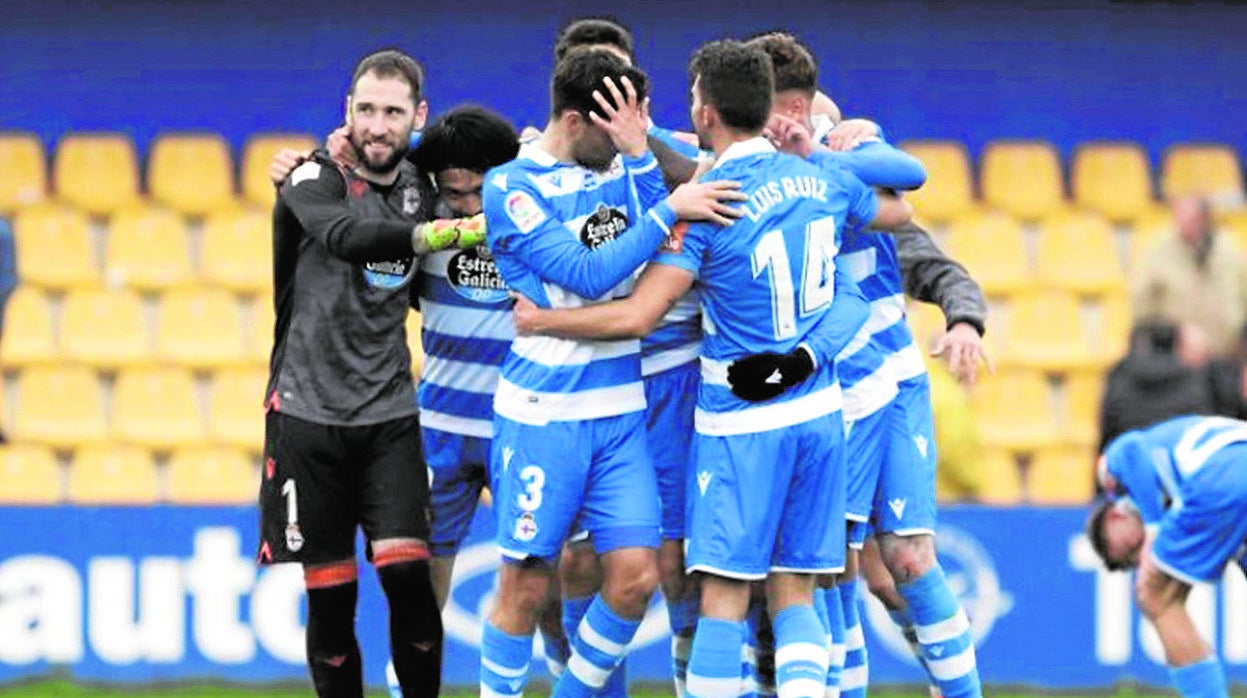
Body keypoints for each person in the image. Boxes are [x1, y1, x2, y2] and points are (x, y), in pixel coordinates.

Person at [512, 38, 915, 698]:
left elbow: (637, 316)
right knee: (795, 596)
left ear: (703, 114)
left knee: (722, 602)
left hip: (739, 424)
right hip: (818, 413)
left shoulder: (708, 204)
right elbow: (898, 211)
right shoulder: (821, 182)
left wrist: (543, 320)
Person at [477, 46, 746, 698]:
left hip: (620, 411)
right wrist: (664, 207)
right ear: (576, 118)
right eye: (619, 121)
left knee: (635, 579)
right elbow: (589, 274)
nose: (634, 134)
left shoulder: (624, 167)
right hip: (544, 415)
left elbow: (669, 224)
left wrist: (640, 157)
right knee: (527, 582)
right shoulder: (512, 185)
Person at [750, 30, 987, 698]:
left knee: (911, 558)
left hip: (892, 379)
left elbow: (909, 184)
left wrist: (963, 316)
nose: (785, 122)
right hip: (824, 391)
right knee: (834, 569)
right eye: (776, 111)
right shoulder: (747, 171)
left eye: (796, 109)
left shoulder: (850, 145)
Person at [257, 49, 484, 698]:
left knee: (408, 578)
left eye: (392, 112)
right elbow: (341, 238)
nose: (376, 125)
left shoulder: (426, 183)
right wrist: (436, 237)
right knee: (330, 599)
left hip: (388, 417)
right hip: (307, 417)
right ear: (346, 113)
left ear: (417, 116)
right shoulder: (310, 178)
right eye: (365, 110)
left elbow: (489, 152)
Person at [1089, 415, 1247, 698]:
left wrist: (1150, 533)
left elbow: (1131, 446)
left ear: (1114, 516)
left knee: (1153, 595)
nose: (1140, 560)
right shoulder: (1170, 485)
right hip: (1232, 471)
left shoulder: (1113, 474)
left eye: (1131, 550)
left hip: (1222, 475)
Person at [1132, 195, 1247, 358]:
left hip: (1227, 355)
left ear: (1205, 218)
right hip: (1176, 360)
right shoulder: (1156, 252)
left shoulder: (1230, 250)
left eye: (1192, 218)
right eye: (1179, 217)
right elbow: (1142, 312)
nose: (1183, 224)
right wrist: (1175, 333)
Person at [1099, 318, 1217, 453]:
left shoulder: (1121, 373)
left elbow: (1109, 421)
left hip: (1129, 456)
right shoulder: (1190, 376)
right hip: (1173, 460)